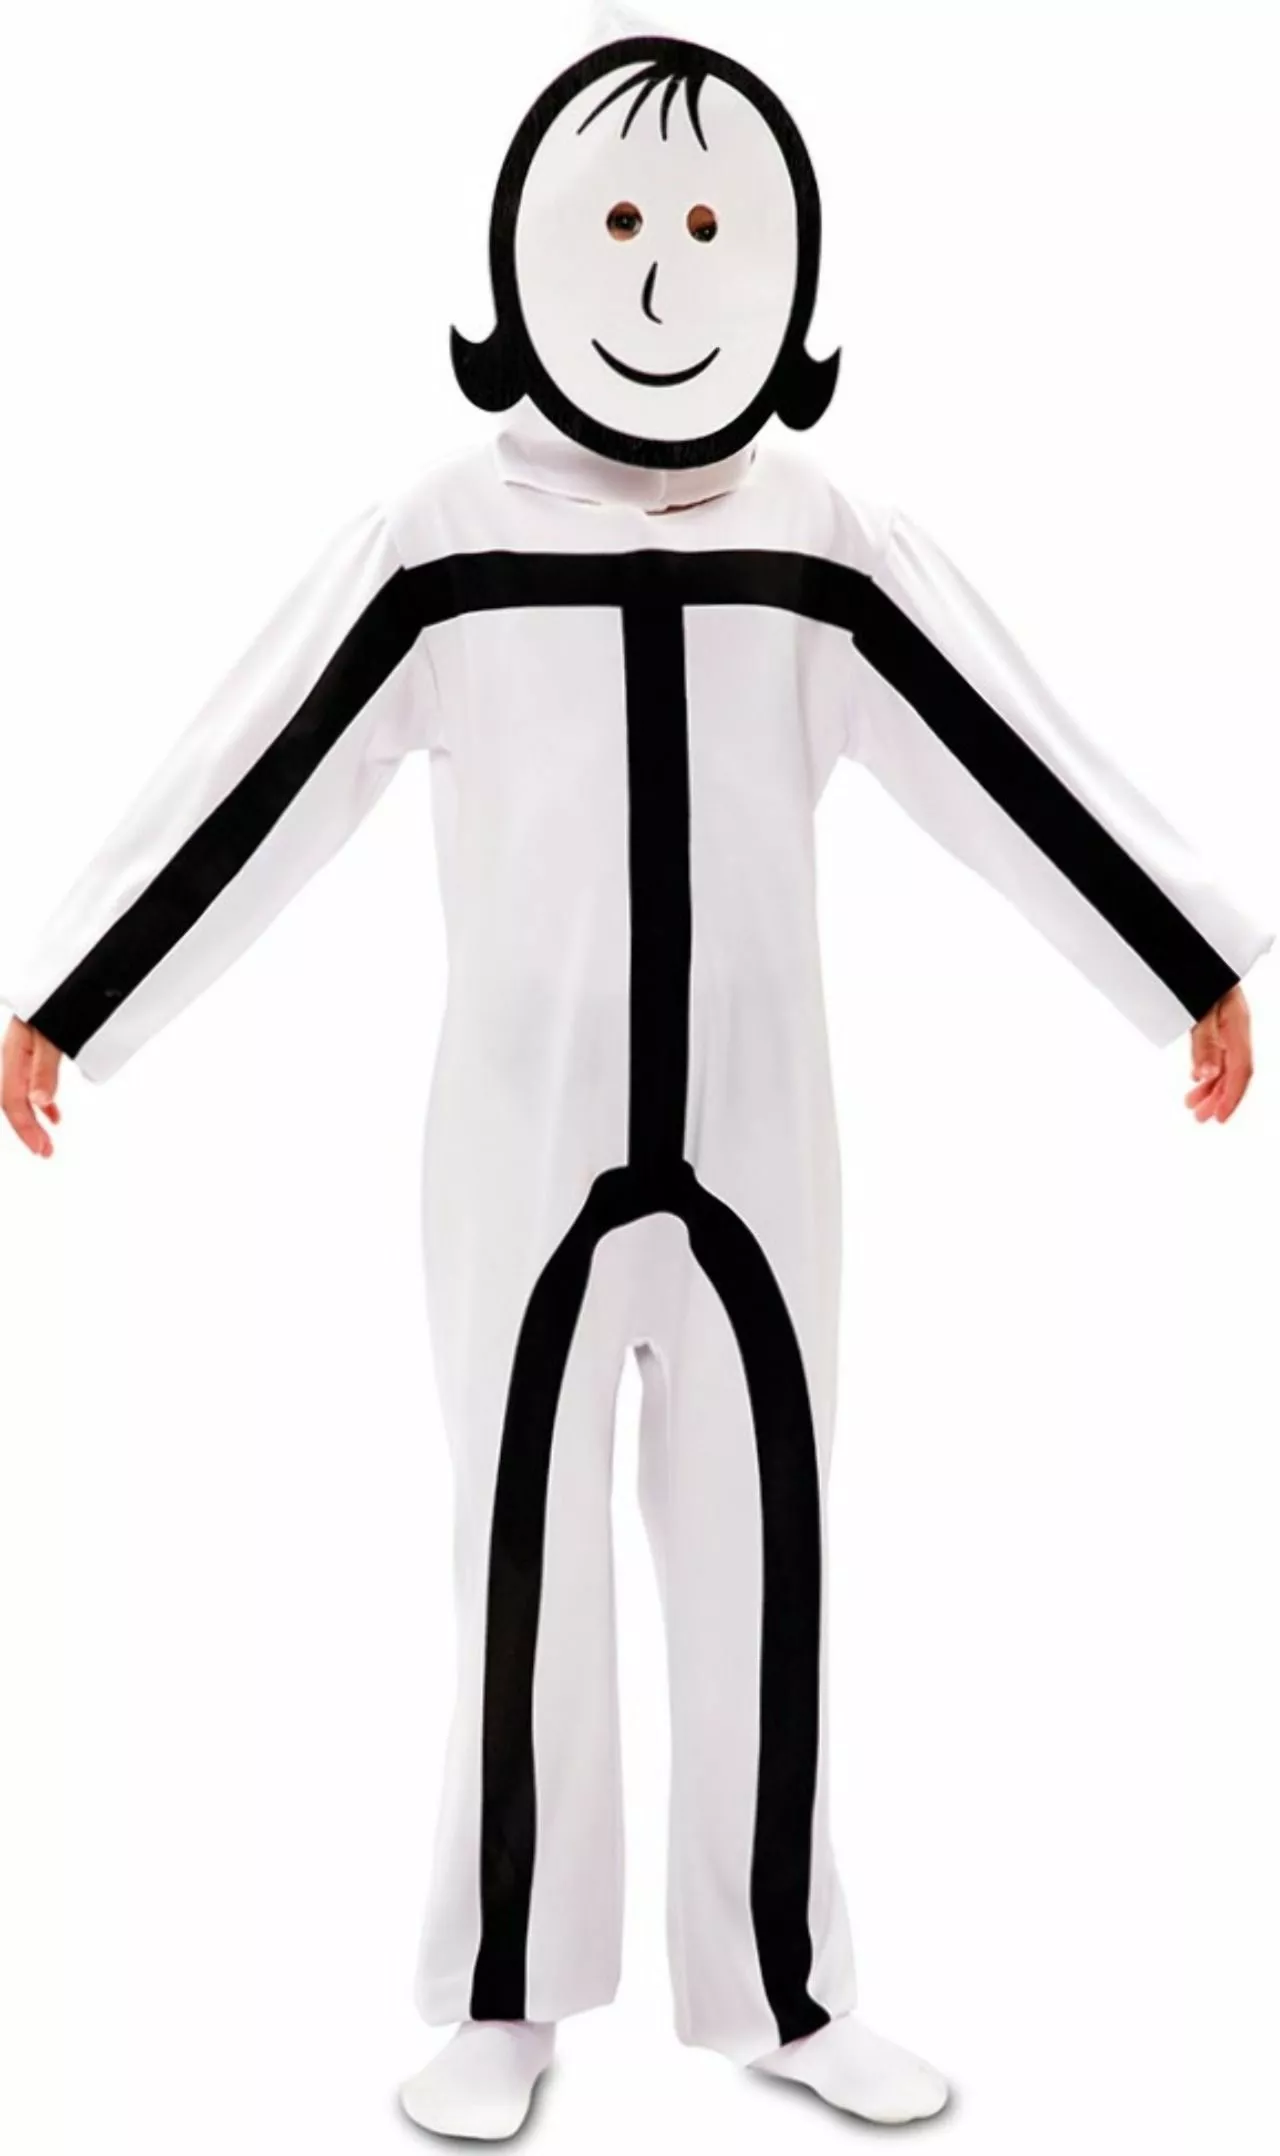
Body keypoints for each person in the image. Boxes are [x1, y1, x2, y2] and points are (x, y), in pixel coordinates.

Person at [1, 8, 1271, 2141]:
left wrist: (1187, 962)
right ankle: (503, 1989)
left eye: (701, 227)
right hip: (520, 1130)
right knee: (522, 1553)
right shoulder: (443, 539)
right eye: (617, 226)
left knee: (769, 1546)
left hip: (764, 1131)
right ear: (530, 260)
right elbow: (265, 770)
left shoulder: (821, 537)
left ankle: (781, 1981)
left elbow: (1002, 752)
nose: (665, 277)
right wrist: (73, 991)